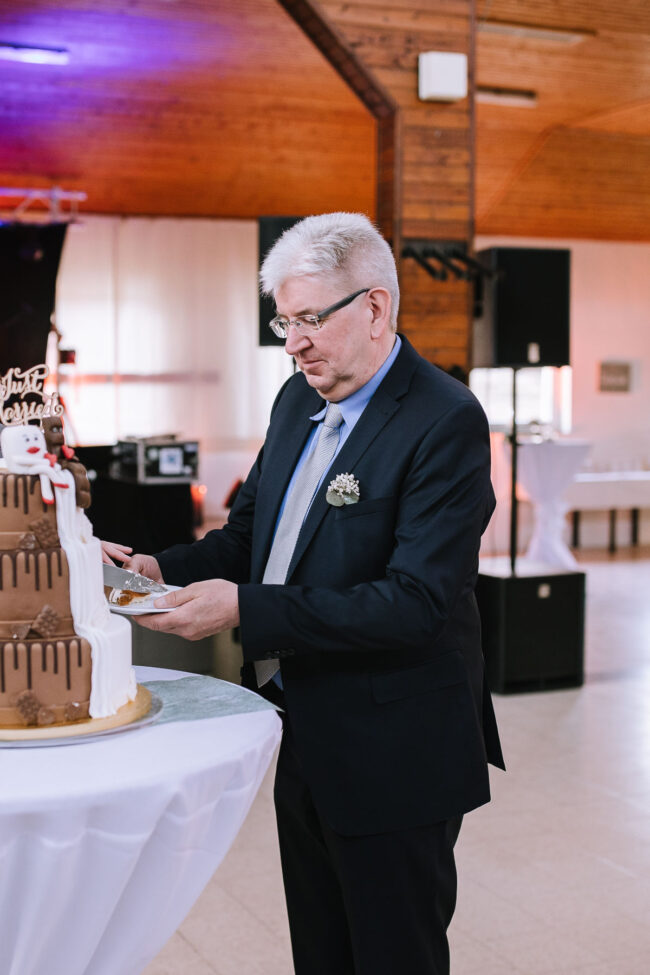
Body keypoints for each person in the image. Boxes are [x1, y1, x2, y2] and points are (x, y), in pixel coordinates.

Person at [119, 212, 504, 975]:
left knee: (394, 955)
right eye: (282, 320)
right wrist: (153, 568)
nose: (291, 343)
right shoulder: (297, 402)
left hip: (398, 745)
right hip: (305, 727)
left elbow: (412, 602)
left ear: (374, 307)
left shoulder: (446, 420)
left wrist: (247, 610)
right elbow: (248, 540)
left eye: (307, 320)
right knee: (322, 953)